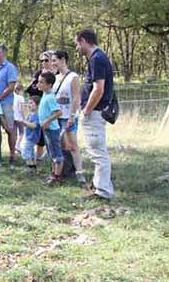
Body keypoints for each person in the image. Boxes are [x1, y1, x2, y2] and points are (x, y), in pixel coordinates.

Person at [75, 28, 115, 200]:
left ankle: (103, 192)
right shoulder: (97, 58)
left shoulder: (97, 59)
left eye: (77, 43)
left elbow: (98, 89)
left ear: (83, 41)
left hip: (95, 112)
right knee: (96, 152)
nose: (77, 47)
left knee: (98, 153)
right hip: (96, 111)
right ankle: (98, 186)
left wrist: (87, 110)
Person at [51, 50, 86, 185]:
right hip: (56, 115)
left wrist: (72, 115)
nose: (53, 63)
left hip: (68, 116)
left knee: (72, 145)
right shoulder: (55, 77)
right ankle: (61, 172)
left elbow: (77, 97)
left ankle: (80, 173)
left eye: (55, 60)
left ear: (63, 60)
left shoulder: (73, 77)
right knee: (60, 145)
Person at [26, 51, 55, 161]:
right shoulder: (38, 74)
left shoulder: (56, 75)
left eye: (46, 60)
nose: (43, 62)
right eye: (41, 60)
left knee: (51, 131)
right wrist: (32, 105)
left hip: (52, 107)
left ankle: (51, 154)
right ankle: (38, 157)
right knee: (39, 132)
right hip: (39, 106)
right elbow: (32, 90)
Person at [37, 71, 64, 185]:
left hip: (52, 130)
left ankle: (57, 176)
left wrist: (47, 121)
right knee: (51, 153)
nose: (39, 84)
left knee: (56, 153)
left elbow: (58, 112)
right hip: (46, 130)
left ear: (49, 85)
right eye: (39, 82)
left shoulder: (50, 98)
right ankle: (53, 173)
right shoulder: (45, 95)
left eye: (42, 82)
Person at [19, 96, 42, 173]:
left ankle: (30, 169)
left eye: (31, 103)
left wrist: (24, 122)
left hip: (32, 137)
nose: (29, 104)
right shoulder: (30, 114)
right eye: (28, 103)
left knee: (26, 152)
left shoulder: (37, 115)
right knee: (31, 153)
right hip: (28, 136)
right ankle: (34, 168)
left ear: (37, 105)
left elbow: (34, 125)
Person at [13, 83, 26, 155]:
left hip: (13, 117)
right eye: (22, 91)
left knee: (14, 133)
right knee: (22, 133)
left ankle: (14, 146)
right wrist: (24, 117)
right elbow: (21, 109)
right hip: (19, 118)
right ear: (19, 90)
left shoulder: (13, 97)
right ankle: (17, 145)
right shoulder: (21, 98)